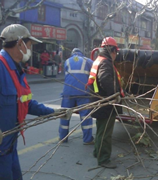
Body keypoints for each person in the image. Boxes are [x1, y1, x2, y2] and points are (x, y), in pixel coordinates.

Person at [0, 24, 60, 180]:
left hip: (9, 145)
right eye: (29, 44)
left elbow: (25, 102)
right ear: (20, 43)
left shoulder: (15, 69)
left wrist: (53, 112)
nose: (30, 49)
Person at [87, 37, 125, 169]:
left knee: (100, 130)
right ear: (113, 51)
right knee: (106, 133)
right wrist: (115, 94)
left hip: (99, 102)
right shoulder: (106, 63)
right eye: (116, 52)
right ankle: (104, 159)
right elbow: (104, 79)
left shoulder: (99, 60)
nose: (116, 56)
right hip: (105, 103)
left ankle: (97, 152)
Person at [59, 48, 94, 144]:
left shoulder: (67, 62)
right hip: (83, 92)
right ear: (81, 53)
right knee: (85, 117)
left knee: (65, 115)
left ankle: (63, 138)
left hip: (68, 92)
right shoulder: (88, 61)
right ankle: (87, 139)